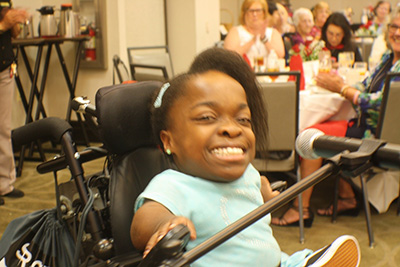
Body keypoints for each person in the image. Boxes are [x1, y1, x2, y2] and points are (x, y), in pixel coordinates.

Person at [129, 48, 361, 267]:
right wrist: (163, 225)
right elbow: (143, 220)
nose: (233, 129)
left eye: (243, 120)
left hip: (277, 261)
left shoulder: (247, 173)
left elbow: (255, 184)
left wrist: (266, 194)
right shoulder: (173, 184)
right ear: (169, 141)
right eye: (208, 117)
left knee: (300, 260)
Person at [272, 10, 400, 227]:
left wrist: (342, 89)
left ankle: (300, 209)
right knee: (314, 132)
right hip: (364, 126)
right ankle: (348, 197)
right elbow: (365, 83)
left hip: (378, 137)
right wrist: (344, 85)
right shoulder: (388, 59)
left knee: (314, 137)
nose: (397, 32)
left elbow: (381, 102)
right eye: (394, 27)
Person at [0, 0, 27, 205]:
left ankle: (5, 184)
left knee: (3, 128)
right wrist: (3, 24)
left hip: (5, 70)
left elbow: (15, 33)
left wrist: (17, 20)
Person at [223, 0, 285, 66]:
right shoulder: (235, 31)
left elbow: (280, 55)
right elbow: (230, 57)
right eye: (251, 11)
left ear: (264, 13)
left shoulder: (273, 32)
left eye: (258, 11)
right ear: (244, 13)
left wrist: (264, 39)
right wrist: (252, 41)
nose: (255, 14)